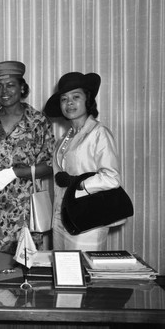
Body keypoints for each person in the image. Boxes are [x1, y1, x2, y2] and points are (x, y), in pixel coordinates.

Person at [0, 61, 55, 253]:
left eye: (10, 85)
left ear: (22, 87)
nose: (4, 91)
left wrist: (17, 172)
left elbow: (50, 165)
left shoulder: (38, 121)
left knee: (24, 264)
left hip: (25, 209)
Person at [44, 72, 121, 251]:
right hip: (61, 217)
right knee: (62, 270)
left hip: (88, 217)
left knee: (83, 271)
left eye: (75, 97)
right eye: (64, 99)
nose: (69, 103)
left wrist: (77, 182)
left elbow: (112, 178)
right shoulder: (64, 138)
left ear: (88, 99)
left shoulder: (99, 133)